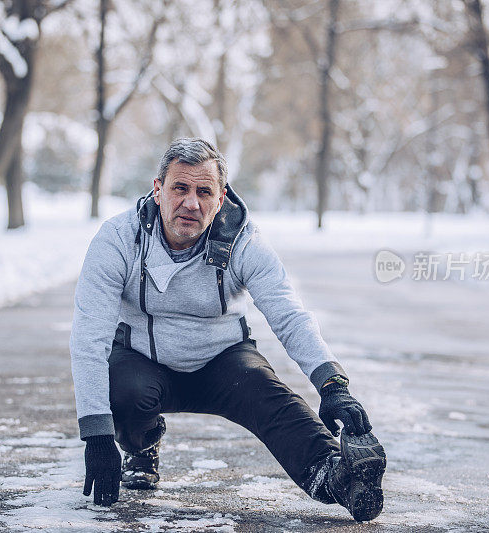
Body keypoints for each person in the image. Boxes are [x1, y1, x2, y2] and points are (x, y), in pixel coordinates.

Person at [70, 138, 386, 522]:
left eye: (204, 191)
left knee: (274, 401)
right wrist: (97, 434)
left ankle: (337, 477)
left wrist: (333, 384)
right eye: (180, 188)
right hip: (143, 362)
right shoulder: (119, 238)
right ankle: (140, 447)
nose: (191, 202)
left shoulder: (244, 241)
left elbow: (289, 314)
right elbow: (90, 335)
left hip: (224, 361)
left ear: (220, 200)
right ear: (157, 190)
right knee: (122, 391)